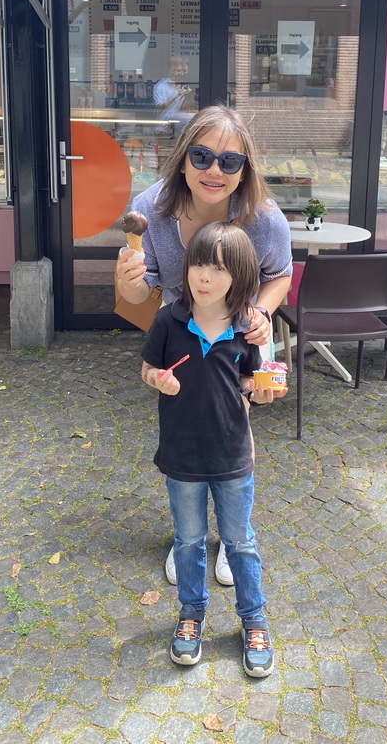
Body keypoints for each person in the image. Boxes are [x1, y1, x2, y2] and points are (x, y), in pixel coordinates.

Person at [116, 104, 293, 586]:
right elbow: (139, 293)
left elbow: (280, 276)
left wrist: (259, 313)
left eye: (229, 162)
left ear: (244, 170)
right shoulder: (151, 209)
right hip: (182, 326)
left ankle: (233, 537)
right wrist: (129, 283)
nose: (214, 170)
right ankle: (187, 537)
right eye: (202, 156)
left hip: (244, 327)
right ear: (183, 160)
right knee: (185, 423)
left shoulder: (264, 218)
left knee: (235, 418)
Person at [141, 222, 285, 676]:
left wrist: (259, 394)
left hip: (232, 455)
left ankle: (253, 620)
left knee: (240, 542)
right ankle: (191, 615)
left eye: (218, 268)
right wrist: (157, 380)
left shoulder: (249, 329)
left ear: (239, 276)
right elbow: (147, 367)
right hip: (182, 454)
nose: (204, 277)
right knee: (187, 541)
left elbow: (249, 382)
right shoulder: (169, 319)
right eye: (199, 265)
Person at [154, 56, 193, 136]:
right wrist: (175, 96)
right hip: (163, 130)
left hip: (180, 129)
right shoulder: (161, 86)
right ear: (171, 70)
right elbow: (159, 109)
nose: (182, 74)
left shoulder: (185, 87)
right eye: (178, 71)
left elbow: (185, 110)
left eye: (184, 71)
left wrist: (189, 98)